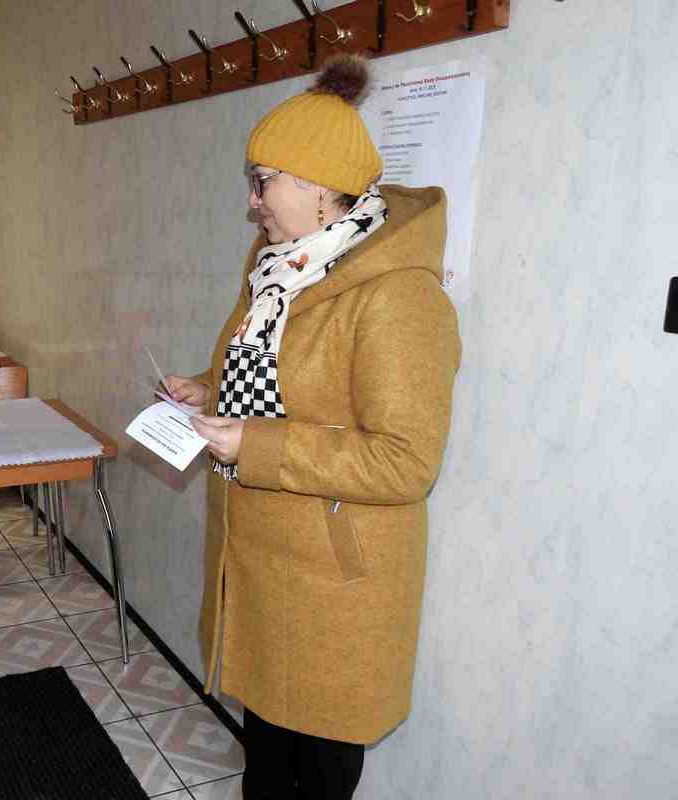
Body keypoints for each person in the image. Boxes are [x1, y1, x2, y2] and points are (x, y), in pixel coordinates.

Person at [165, 56, 461, 798]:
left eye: (263, 180)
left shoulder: (399, 297)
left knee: (320, 771)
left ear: (321, 188)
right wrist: (207, 389)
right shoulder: (277, 271)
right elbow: (277, 382)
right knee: (266, 761)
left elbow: (405, 461)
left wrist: (254, 445)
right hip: (263, 557)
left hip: (335, 579)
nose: (253, 200)